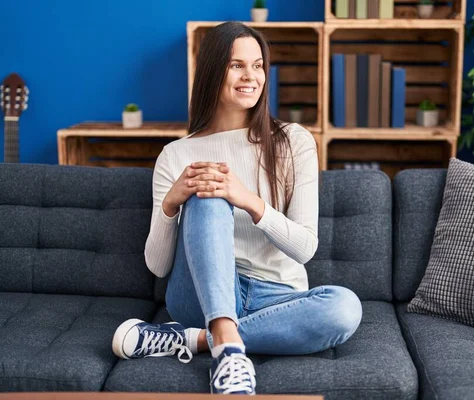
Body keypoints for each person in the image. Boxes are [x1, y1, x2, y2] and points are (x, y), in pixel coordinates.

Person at [111, 21, 362, 395]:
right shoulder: (177, 155)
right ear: (213, 71)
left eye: (258, 65)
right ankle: (225, 342)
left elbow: (305, 248)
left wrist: (247, 199)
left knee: (345, 308)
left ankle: (201, 340)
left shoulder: (293, 142)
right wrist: (171, 204)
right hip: (201, 293)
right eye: (236, 65)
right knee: (206, 191)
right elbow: (159, 266)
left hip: (278, 297)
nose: (251, 76)